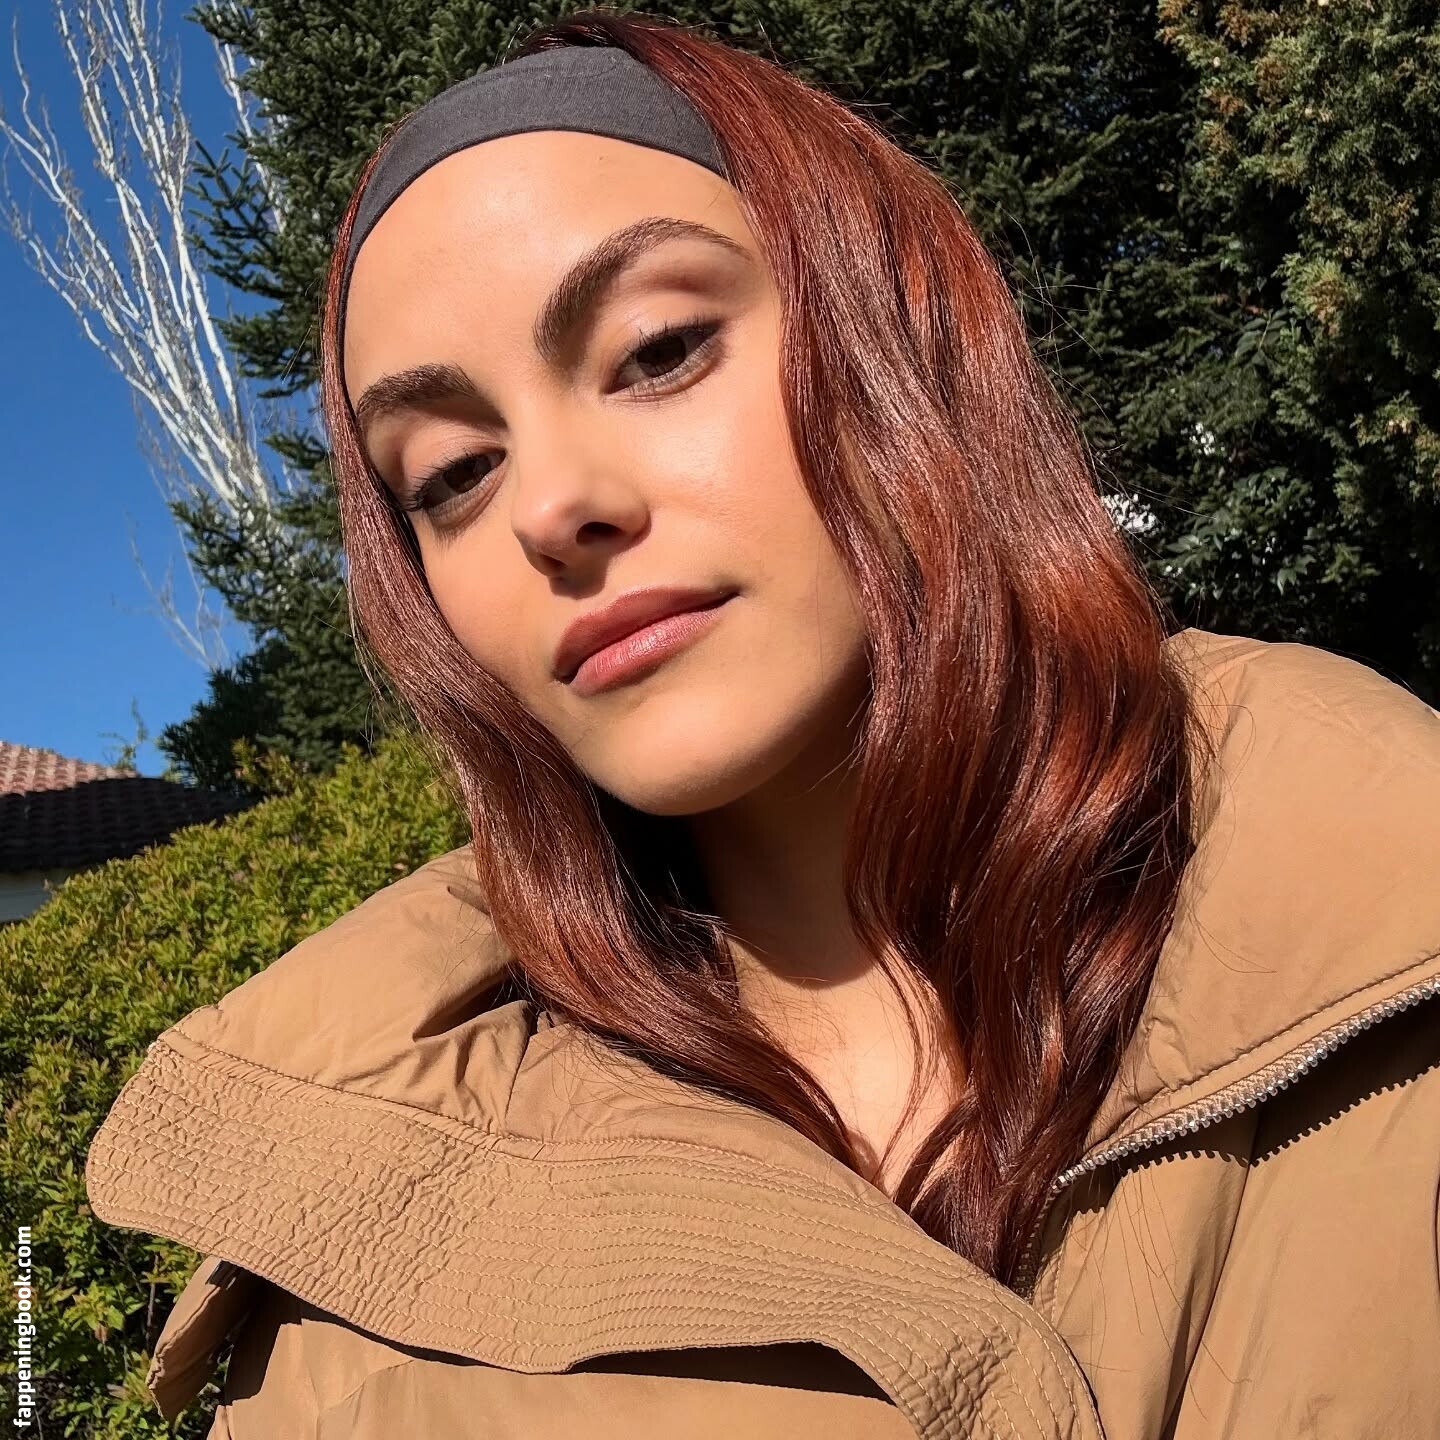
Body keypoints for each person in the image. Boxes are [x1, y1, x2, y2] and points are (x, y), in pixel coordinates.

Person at [84, 11, 1440, 1439]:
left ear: (899, 331)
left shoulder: (1390, 918)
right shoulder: (349, 1293)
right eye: (454, 472)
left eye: (660, 349)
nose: (550, 506)